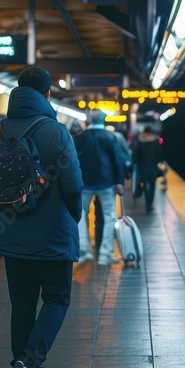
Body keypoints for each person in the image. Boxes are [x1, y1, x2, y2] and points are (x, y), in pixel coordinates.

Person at [0, 66, 83, 368]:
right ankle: (30, 364)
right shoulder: (56, 131)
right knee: (56, 298)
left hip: (12, 235)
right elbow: (73, 184)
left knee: (22, 302)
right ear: (48, 95)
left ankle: (21, 364)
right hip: (53, 233)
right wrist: (75, 216)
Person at [75, 111, 125, 265]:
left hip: (84, 183)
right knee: (110, 217)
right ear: (104, 121)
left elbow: (73, 160)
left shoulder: (80, 137)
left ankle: (84, 250)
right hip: (106, 183)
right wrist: (119, 182)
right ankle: (105, 255)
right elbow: (118, 161)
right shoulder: (110, 137)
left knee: (81, 215)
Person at [132, 126, 164, 213]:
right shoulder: (155, 140)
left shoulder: (139, 139)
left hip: (141, 167)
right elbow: (160, 154)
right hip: (153, 167)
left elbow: (135, 154)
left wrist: (135, 162)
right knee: (152, 185)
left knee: (144, 184)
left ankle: (145, 200)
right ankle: (149, 204)